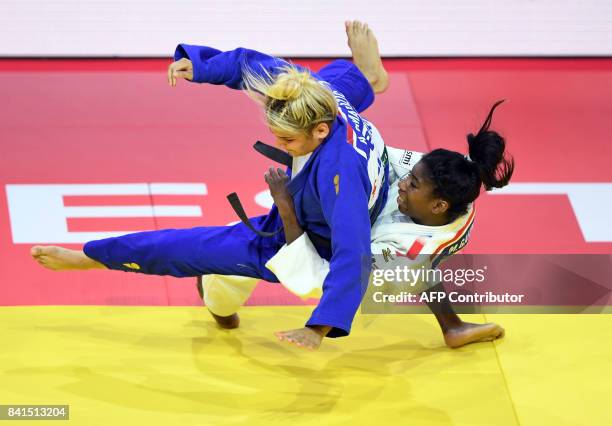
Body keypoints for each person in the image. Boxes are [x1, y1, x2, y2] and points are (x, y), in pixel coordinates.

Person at [30, 21, 390, 350]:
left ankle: (90, 258)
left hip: (310, 243)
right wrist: (202, 67)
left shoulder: (339, 177)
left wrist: (319, 327)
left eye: (287, 140)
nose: (279, 146)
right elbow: (248, 65)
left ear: (320, 130)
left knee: (187, 248)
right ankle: (368, 77)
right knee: (336, 82)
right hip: (310, 194)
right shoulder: (309, 93)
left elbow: (352, 251)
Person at [204, 100, 513, 350]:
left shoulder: (404, 253)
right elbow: (372, 155)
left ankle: (216, 298)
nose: (404, 184)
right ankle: (453, 327)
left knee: (253, 250)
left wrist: (285, 205)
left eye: (413, 184)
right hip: (417, 234)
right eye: (410, 176)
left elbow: (332, 275)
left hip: (390, 261)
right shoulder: (449, 174)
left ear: (438, 204)